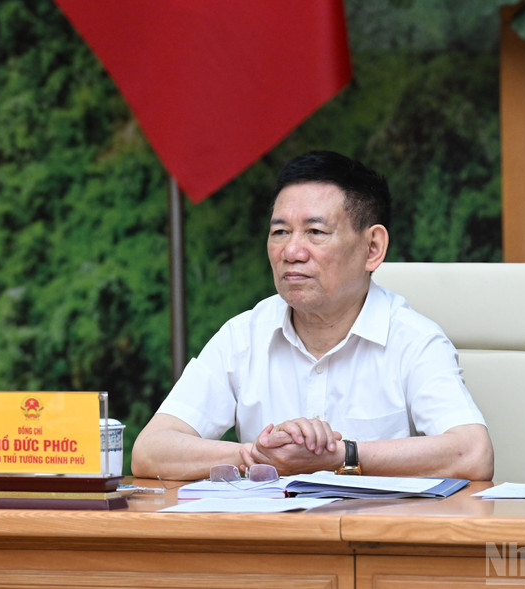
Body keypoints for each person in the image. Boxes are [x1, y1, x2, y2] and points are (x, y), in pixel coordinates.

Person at [131, 151, 494, 481]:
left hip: (376, 542)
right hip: (267, 543)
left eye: (315, 232)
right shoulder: (243, 336)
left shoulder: (413, 339)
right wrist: (256, 455)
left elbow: (472, 453)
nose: (291, 251)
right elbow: (150, 451)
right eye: (280, 232)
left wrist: (342, 454)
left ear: (373, 248)